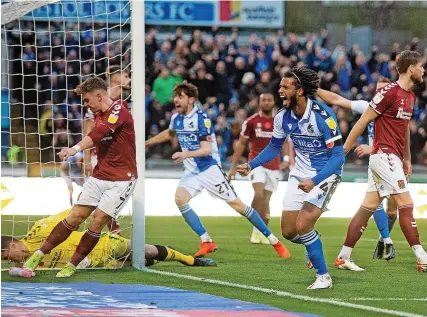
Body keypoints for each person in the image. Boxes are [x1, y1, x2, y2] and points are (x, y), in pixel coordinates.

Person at [145, 81, 290, 259]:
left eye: (180, 97)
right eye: (175, 97)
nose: (176, 100)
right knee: (180, 199)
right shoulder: (177, 118)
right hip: (192, 172)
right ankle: (206, 241)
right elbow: (170, 133)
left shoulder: (201, 118)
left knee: (238, 206)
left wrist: (185, 154)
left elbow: (206, 150)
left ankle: (274, 241)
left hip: (210, 169)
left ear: (191, 99)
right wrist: (146, 143)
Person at [16, 77, 138, 278]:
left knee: (97, 221)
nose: (85, 104)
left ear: (99, 96)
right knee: (74, 217)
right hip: (100, 176)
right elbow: (94, 134)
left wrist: (74, 149)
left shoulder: (119, 111)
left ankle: (72, 264)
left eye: (88, 100)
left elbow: (98, 134)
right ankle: (37, 256)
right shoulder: (97, 111)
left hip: (122, 180)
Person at [237, 66, 345, 289]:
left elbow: (338, 157)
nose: (280, 90)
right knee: (288, 231)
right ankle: (313, 241)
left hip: (325, 174)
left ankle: (323, 277)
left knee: (303, 224)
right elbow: (273, 147)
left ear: (300, 91)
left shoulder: (323, 117)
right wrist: (251, 164)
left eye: (285, 87)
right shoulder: (282, 117)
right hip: (300, 175)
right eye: (280, 86)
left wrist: (315, 181)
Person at [335, 50, 427, 273]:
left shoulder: (410, 96)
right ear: (410, 68)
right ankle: (422, 257)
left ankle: (343, 256)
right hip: (383, 155)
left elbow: (403, 130)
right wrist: (342, 152)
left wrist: (406, 157)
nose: (424, 70)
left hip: (393, 157)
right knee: (406, 204)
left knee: (368, 207)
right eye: (421, 66)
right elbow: (361, 122)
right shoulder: (388, 92)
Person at [316, 77, 398, 263]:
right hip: (376, 163)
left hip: (395, 162)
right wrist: (315, 89)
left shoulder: (396, 112)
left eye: (384, 89)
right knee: (373, 203)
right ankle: (387, 241)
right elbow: (337, 100)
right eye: (378, 89)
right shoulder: (368, 106)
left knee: (393, 210)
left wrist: (373, 148)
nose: (380, 93)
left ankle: (385, 240)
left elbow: (399, 141)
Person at [2, 209, 216, 269]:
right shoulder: (24, 264)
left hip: (104, 243)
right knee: (138, 262)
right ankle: (157, 254)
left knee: (147, 251)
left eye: (5, 255)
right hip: (98, 264)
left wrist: (106, 219)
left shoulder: (40, 230)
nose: (7, 260)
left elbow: (72, 216)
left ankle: (190, 260)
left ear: (12, 244)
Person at [228, 93, 285, 245]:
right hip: (255, 164)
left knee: (266, 200)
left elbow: (286, 142)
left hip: (274, 165)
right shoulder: (251, 121)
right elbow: (240, 144)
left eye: (269, 99)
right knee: (258, 194)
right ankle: (256, 230)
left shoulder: (279, 121)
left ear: (273, 102)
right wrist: (233, 168)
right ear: (259, 103)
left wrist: (288, 159)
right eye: (263, 100)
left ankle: (263, 232)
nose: (266, 102)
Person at [83, 65, 130, 234]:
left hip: (117, 159)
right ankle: (113, 238)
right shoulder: (96, 102)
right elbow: (88, 131)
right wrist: (87, 159)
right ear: (116, 78)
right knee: (101, 204)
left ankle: (113, 238)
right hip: (100, 158)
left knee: (109, 206)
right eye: (126, 75)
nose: (129, 78)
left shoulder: (123, 103)